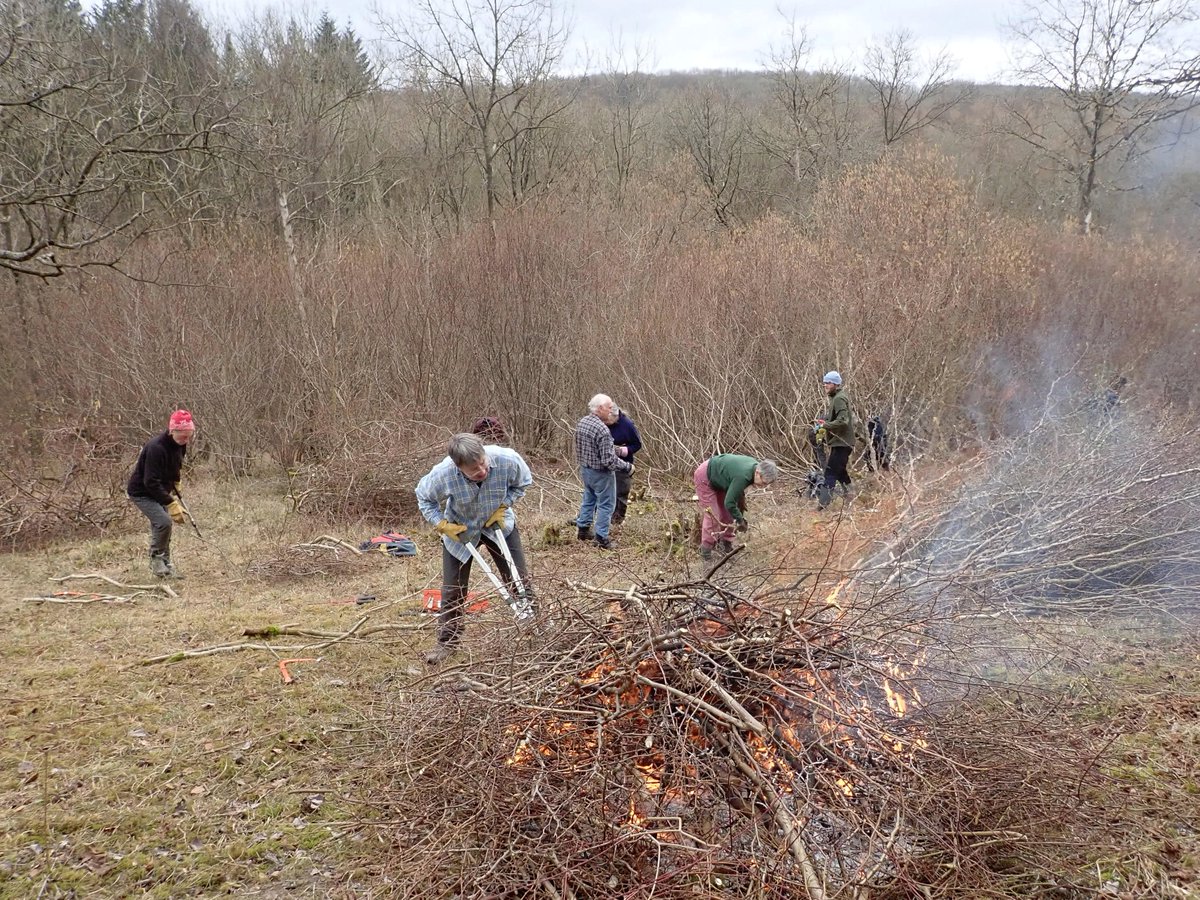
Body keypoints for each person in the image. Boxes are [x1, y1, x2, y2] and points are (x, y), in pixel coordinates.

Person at [416, 433, 534, 665]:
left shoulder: (508, 459)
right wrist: (442, 525)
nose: (481, 470)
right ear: (458, 467)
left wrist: (505, 505)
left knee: (518, 578)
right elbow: (423, 498)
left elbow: (523, 483)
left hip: (497, 523)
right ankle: (446, 643)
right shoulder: (443, 474)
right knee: (453, 589)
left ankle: (534, 626)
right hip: (462, 529)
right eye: (473, 469)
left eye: (482, 462)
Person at [127, 409, 195, 578]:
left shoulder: (181, 444)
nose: (186, 440)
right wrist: (171, 503)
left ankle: (166, 566)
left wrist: (177, 483)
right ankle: (156, 559)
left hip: (160, 490)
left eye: (189, 436)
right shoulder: (156, 448)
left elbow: (175, 466)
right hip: (142, 492)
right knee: (163, 522)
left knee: (165, 528)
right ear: (173, 431)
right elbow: (150, 481)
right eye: (183, 436)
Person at [693, 454, 779, 560]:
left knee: (728, 514)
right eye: (763, 482)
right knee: (713, 516)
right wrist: (740, 519)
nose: (763, 486)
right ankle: (706, 553)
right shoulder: (743, 476)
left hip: (722, 479)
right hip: (705, 476)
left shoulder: (753, 469)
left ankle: (726, 545)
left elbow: (736, 496)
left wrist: (739, 510)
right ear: (757, 473)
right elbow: (729, 502)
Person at [574, 393, 632, 550]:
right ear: (600, 408)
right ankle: (601, 538)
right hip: (601, 473)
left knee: (589, 498)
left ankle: (583, 530)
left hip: (585, 469)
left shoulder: (583, 422)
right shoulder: (602, 430)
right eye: (609, 407)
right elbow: (609, 460)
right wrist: (627, 467)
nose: (612, 409)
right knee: (606, 505)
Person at [816, 371, 854, 510]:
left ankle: (822, 506)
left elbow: (843, 421)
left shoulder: (838, 398)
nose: (825, 385)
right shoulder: (837, 397)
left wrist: (825, 425)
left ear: (836, 384)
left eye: (829, 383)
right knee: (840, 470)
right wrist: (825, 421)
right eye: (825, 382)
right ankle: (851, 495)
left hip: (842, 443)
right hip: (841, 442)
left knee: (830, 472)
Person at [606, 404, 643, 525]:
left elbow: (637, 444)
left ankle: (617, 520)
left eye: (609, 420)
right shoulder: (602, 422)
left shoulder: (627, 425)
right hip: (606, 462)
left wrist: (623, 450)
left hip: (623, 463)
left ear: (616, 416)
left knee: (621, 493)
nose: (607, 422)